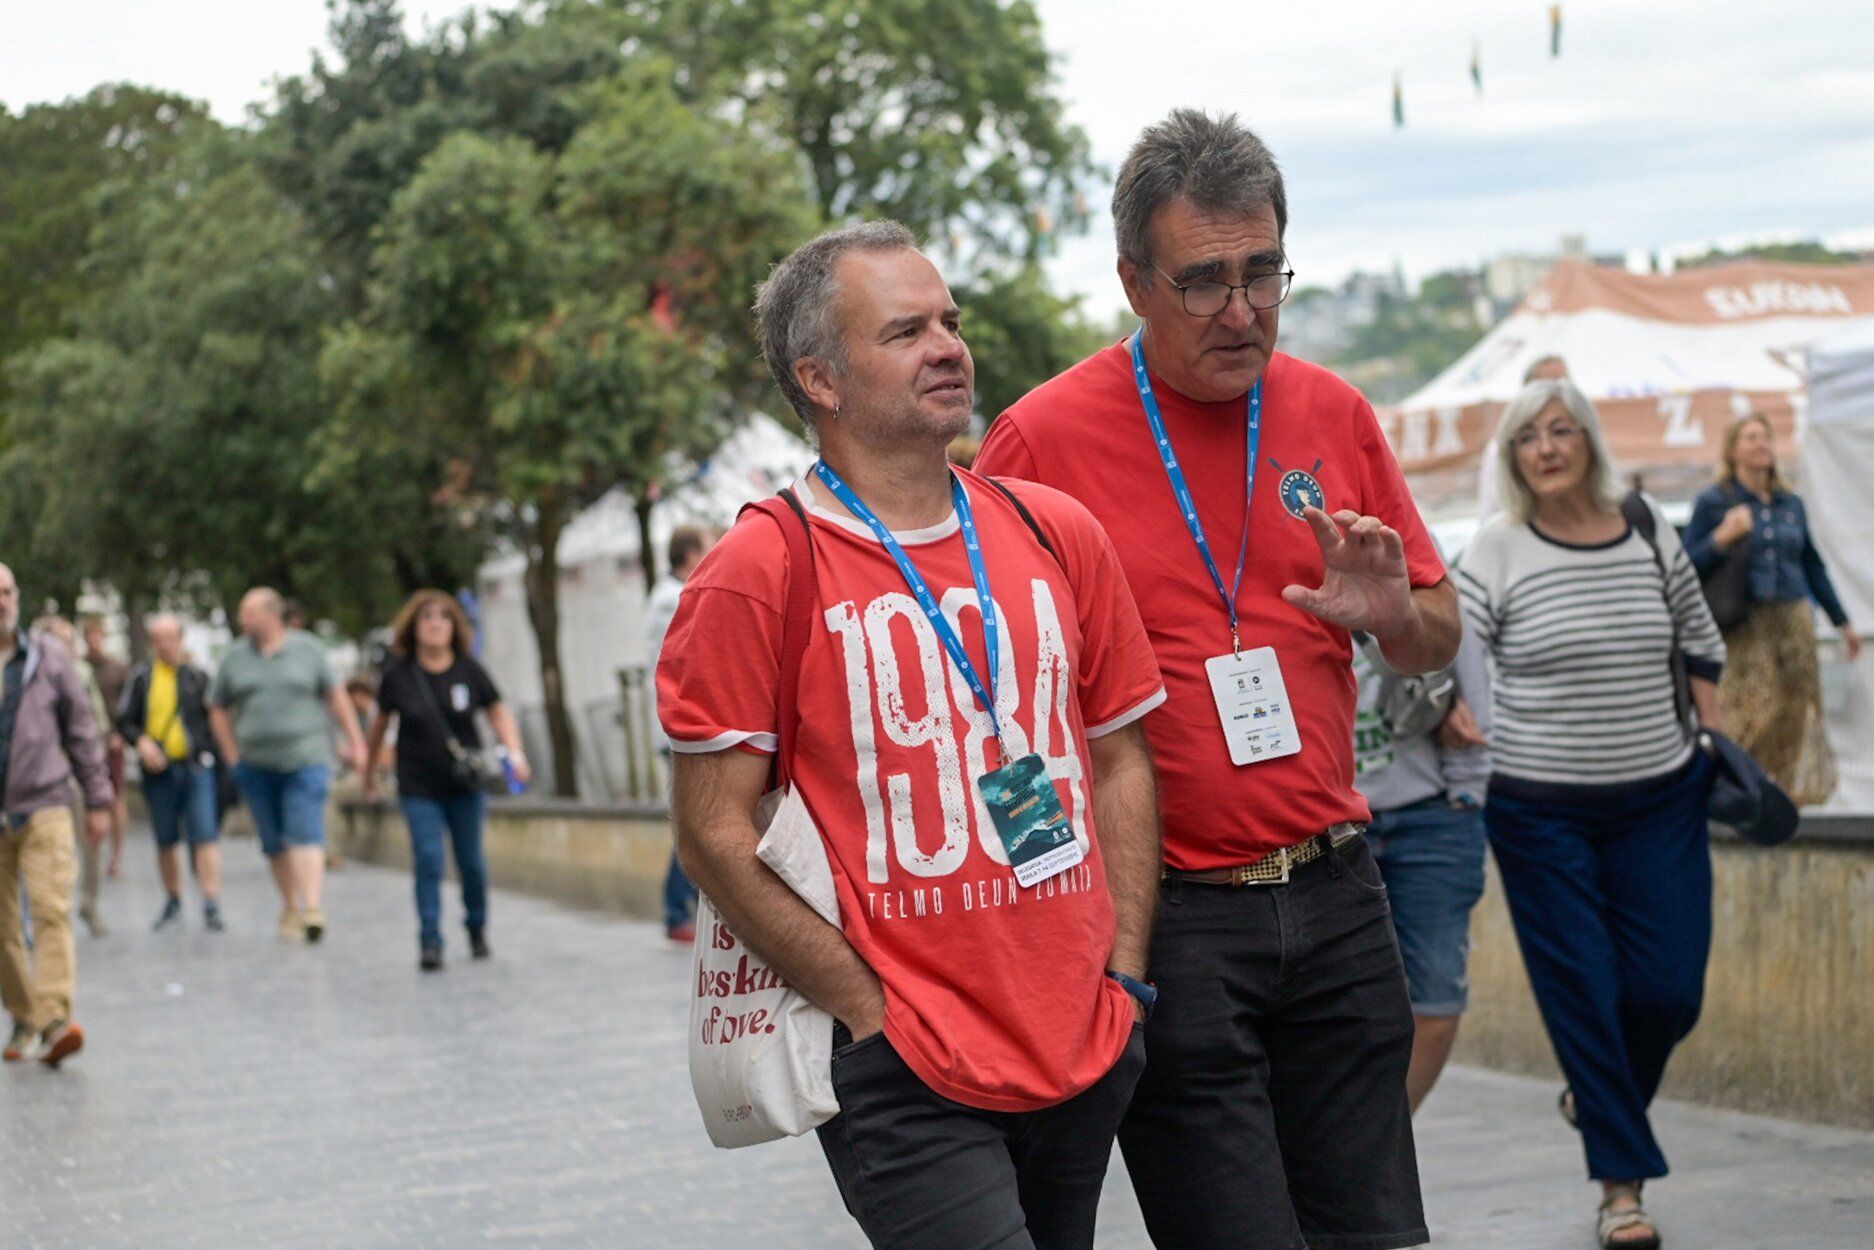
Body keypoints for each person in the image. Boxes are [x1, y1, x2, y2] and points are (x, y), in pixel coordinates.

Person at [975, 109, 1456, 1250]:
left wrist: (1397, 616)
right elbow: (987, 703)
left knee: (1373, 1233)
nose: (1242, 312)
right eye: (1202, 282)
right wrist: (1060, 925)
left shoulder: (1331, 410)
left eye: (1261, 272)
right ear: (1133, 281)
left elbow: (1431, 632)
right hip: (1175, 916)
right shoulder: (1038, 440)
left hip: (1339, 892)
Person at [660, 221, 1167, 1250]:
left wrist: (1120, 975)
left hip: (1078, 1034)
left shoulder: (1051, 531)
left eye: (949, 319)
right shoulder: (759, 567)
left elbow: (1118, 757)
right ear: (822, 378)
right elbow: (710, 829)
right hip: (903, 1060)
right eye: (905, 330)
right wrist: (863, 1006)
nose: (947, 345)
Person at [1457, 379, 1726, 1250]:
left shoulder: (1647, 526)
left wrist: (1715, 743)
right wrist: (1447, 708)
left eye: (1562, 429)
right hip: (1540, 813)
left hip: (1662, 796)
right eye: (1529, 435)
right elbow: (1442, 653)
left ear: (1589, 442)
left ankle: (1596, 1097)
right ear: (1513, 456)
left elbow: (1699, 637)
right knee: (1587, 992)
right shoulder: (1496, 550)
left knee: (1668, 992)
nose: (1546, 446)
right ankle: (1622, 1193)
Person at [1352, 596, 1491, 1112]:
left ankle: (1380, 1145)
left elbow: (1476, 701)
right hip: (1333, 825)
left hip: (1430, 818)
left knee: (1435, 999)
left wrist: (1465, 797)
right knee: (1339, 1007)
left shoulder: (1425, 576)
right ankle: (1347, 1151)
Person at [1684, 412, 1860, 806]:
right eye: (1751, 438)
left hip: (1793, 615)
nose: (1761, 445)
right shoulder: (1715, 502)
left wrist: (1842, 621)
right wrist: (1721, 538)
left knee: (1796, 705)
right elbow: (1687, 563)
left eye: (1765, 437)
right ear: (1733, 450)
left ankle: (1779, 787)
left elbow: (1812, 563)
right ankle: (1738, 782)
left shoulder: (1790, 503)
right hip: (1744, 620)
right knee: (1751, 704)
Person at [363, 591, 529, 971]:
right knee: (429, 857)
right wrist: (370, 773)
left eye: (444, 617)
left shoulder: (470, 670)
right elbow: (378, 730)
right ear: (413, 627)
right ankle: (430, 939)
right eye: (427, 617)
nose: (436, 623)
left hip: (464, 786)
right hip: (418, 784)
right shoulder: (398, 677)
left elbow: (498, 712)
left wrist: (515, 752)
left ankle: (476, 927)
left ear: (455, 626)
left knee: (470, 862)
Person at [207, 588, 367, 944]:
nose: (242, 620)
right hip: (255, 764)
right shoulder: (235, 659)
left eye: (249, 613)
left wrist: (356, 741)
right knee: (274, 841)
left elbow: (336, 697)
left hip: (305, 759)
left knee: (305, 829)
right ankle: (290, 905)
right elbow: (216, 707)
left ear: (272, 614)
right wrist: (231, 752)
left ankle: (312, 907)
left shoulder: (308, 650)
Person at [0, 565, 112, 1068]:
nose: (1, 601)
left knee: (49, 911)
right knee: (2, 927)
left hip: (44, 802)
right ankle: (25, 1014)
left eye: (7, 591)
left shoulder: (49, 659)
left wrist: (99, 798)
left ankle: (54, 1020)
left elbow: (82, 731)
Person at [118, 614, 224, 932]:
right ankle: (173, 897)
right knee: (166, 838)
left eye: (170, 638)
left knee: (205, 834)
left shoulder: (198, 677)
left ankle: (210, 901)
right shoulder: (142, 678)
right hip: (158, 772)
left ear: (181, 639)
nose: (165, 645)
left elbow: (215, 721)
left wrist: (209, 754)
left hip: (194, 767)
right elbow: (125, 721)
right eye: (158, 639)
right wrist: (142, 743)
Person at [644, 524, 713, 942]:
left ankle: (679, 908)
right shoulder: (674, 598)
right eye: (707, 549)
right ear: (690, 554)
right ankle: (675, 909)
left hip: (676, 725)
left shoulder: (667, 595)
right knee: (695, 821)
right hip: (678, 727)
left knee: (695, 818)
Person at [35, 615, 118, 939]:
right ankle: (50, 911)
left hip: (77, 770)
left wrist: (96, 780)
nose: (70, 648)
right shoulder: (29, 673)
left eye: (72, 641)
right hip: (43, 777)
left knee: (90, 841)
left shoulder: (80, 673)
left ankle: (88, 902)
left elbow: (93, 722)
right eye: (63, 641)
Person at [1477, 355, 1570, 523]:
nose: (1547, 450)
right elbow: (1490, 512)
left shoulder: (1582, 437)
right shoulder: (1502, 447)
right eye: (1550, 384)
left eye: (1565, 383)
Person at [81, 616, 131, 892]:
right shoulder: (78, 666)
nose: (94, 642)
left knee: (116, 798)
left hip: (111, 741)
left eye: (97, 636)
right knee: (92, 798)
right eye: (89, 637)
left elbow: (127, 707)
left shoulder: (117, 668)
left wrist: (120, 735)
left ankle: (116, 855)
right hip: (87, 741)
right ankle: (94, 854)